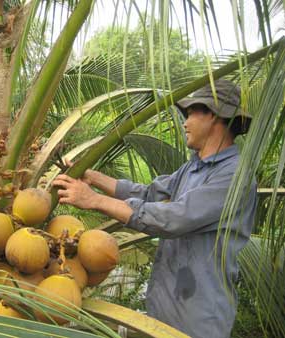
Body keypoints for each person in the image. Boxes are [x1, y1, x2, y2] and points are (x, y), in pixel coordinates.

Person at [52, 79, 257, 338]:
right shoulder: (193, 167)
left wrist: (94, 200)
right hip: (164, 307)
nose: (185, 122)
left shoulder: (234, 176)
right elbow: (149, 193)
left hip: (198, 317)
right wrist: (93, 178)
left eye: (191, 112)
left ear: (214, 117)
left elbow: (172, 219)